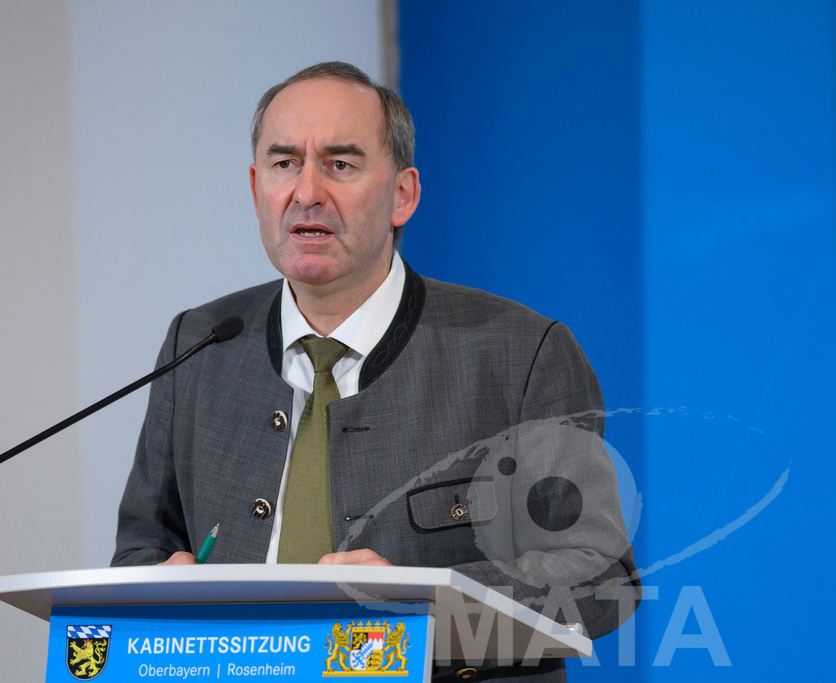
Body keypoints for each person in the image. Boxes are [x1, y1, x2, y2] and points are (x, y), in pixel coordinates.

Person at [113, 62, 639, 681]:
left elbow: (600, 576)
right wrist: (157, 585)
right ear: (256, 186)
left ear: (402, 195)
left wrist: (428, 607)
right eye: (284, 164)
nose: (306, 192)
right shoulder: (199, 344)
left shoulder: (521, 353)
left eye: (340, 164)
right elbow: (141, 547)